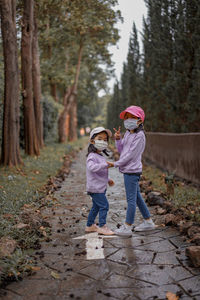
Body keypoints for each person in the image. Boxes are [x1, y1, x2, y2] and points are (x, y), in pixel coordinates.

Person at [108, 106, 155, 237]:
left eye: (131, 117)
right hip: (128, 169)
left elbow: (130, 156)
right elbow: (122, 151)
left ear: (139, 121)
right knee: (137, 197)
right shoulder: (128, 133)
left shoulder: (140, 136)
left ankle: (127, 226)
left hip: (132, 171)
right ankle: (148, 221)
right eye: (126, 117)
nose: (127, 120)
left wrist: (115, 163)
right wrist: (118, 139)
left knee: (131, 200)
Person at [85, 127, 115, 235]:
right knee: (104, 205)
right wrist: (105, 164)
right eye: (100, 139)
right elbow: (92, 168)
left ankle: (89, 225)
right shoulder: (91, 156)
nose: (103, 142)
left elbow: (100, 173)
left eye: (105, 140)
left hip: (99, 187)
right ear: (92, 141)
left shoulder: (99, 156)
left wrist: (108, 180)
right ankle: (102, 226)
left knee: (96, 206)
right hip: (95, 188)